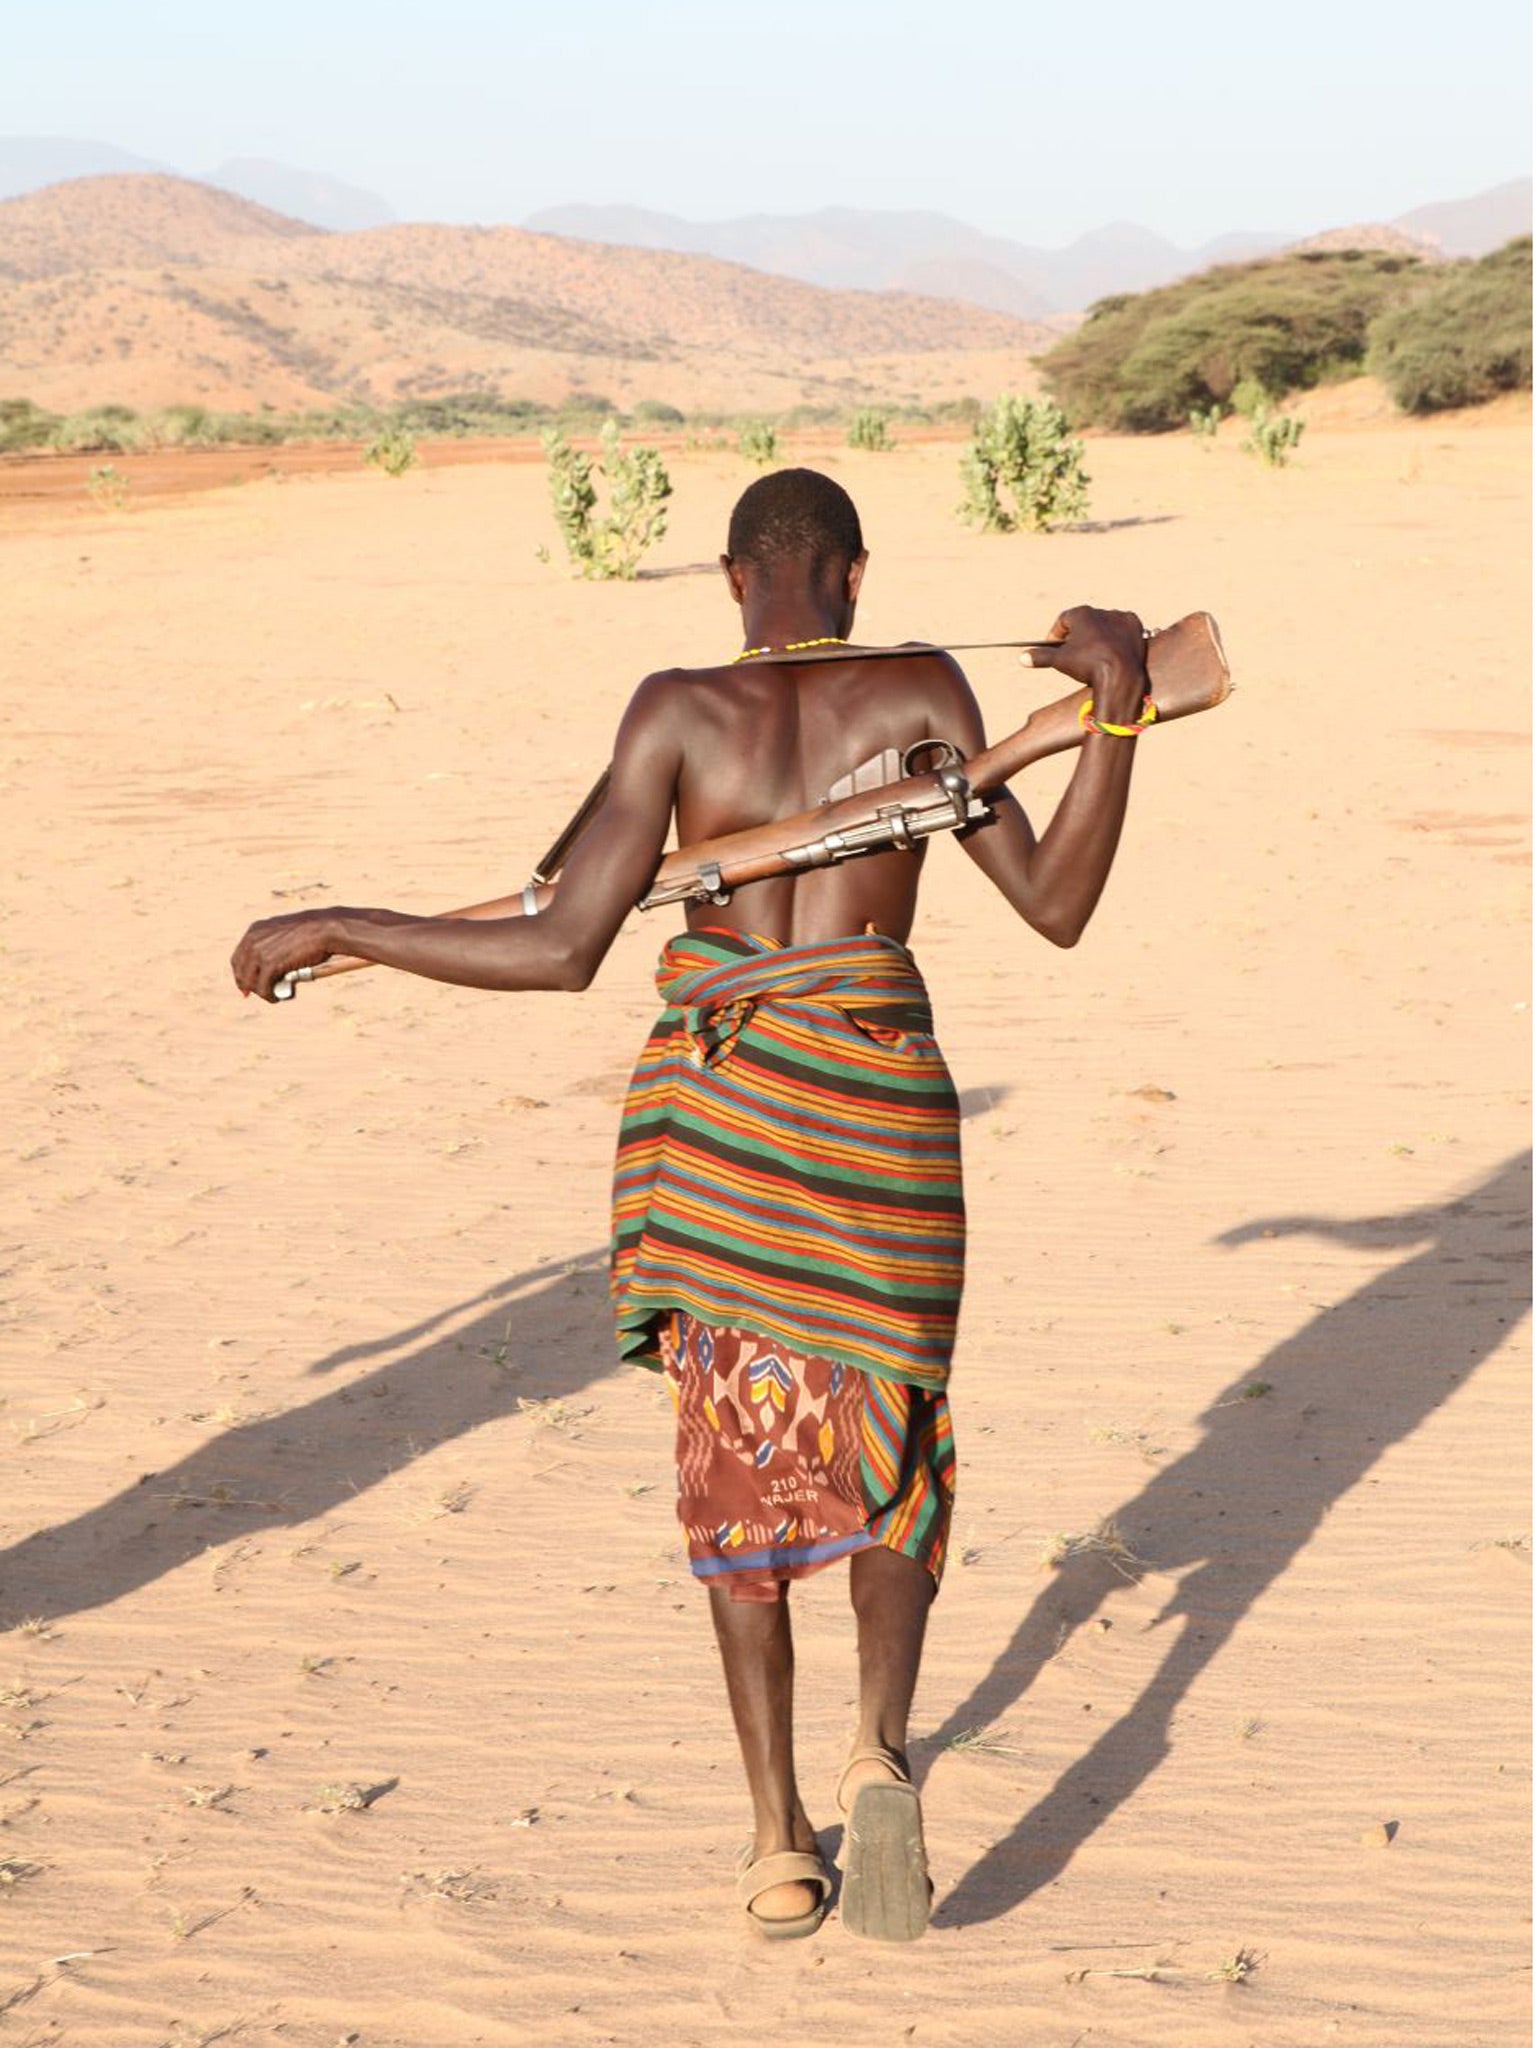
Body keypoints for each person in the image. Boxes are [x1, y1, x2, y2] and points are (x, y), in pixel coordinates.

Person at [231, 467, 1152, 1944]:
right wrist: (1111, 715)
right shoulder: (921, 683)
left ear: (735, 582)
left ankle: (781, 1837)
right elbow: (1056, 903)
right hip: (876, 1107)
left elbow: (556, 943)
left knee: (739, 1456)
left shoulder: (673, 709)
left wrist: (346, 924)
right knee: (895, 1424)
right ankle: (883, 1744)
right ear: (851, 575)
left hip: (720, 1120)